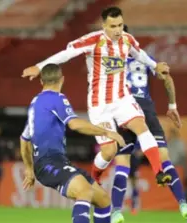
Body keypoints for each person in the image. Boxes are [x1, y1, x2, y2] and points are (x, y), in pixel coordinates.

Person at [22, 6, 172, 187]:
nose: (118, 30)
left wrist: (155, 66)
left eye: (120, 25)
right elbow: (66, 54)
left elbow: (139, 54)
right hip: (99, 104)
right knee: (109, 151)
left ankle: (159, 172)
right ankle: (95, 176)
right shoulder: (92, 41)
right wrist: (39, 67)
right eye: (113, 26)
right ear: (103, 25)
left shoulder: (127, 40)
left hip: (122, 98)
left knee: (141, 127)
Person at [20, 64, 126, 223]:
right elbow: (75, 124)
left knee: (103, 200)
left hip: (51, 163)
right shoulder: (58, 99)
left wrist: (29, 169)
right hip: (49, 162)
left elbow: (24, 140)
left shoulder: (34, 104)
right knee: (84, 191)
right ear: (62, 79)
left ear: (41, 81)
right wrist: (108, 132)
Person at [107, 25, 187, 223]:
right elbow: (166, 76)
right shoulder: (143, 56)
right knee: (164, 159)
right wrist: (173, 106)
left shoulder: (111, 58)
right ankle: (183, 204)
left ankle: (117, 212)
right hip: (147, 109)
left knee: (122, 163)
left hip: (125, 109)